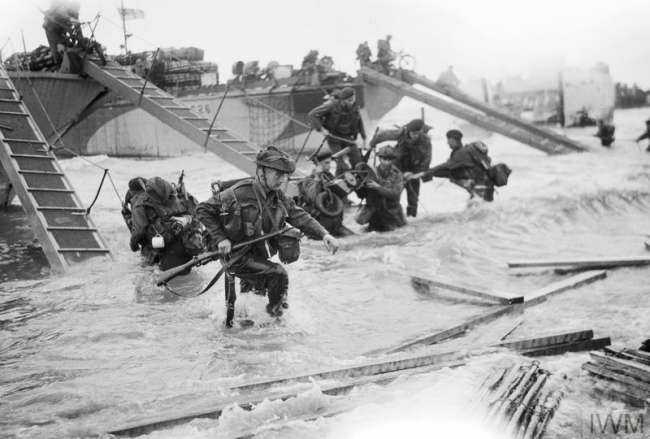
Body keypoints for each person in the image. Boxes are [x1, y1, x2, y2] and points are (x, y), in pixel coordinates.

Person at [197, 146, 339, 317]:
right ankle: (276, 319)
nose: (282, 179)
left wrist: (324, 234)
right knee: (278, 274)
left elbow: (298, 215)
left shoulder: (277, 196)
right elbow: (203, 209)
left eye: (285, 175)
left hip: (257, 255)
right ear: (261, 172)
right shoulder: (238, 193)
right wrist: (221, 239)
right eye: (277, 174)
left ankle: (250, 328)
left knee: (252, 300)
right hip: (236, 255)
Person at [129, 176, 204, 271]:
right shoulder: (182, 196)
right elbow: (199, 214)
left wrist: (133, 245)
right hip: (190, 246)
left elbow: (139, 231)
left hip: (164, 252)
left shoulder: (140, 205)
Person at [407, 130, 496, 201]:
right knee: (480, 212)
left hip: (481, 186)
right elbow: (448, 172)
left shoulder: (461, 154)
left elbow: (444, 167)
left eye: (449, 141)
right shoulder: (461, 152)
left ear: (454, 140)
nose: (447, 143)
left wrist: (423, 173)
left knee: (479, 211)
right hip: (482, 186)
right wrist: (427, 173)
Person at [369, 118, 432, 217]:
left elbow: (426, 160)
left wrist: (415, 174)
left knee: (413, 199)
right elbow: (383, 135)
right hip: (398, 168)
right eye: (412, 133)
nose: (414, 136)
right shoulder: (401, 133)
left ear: (420, 132)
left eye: (417, 133)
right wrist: (372, 143)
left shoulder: (426, 140)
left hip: (414, 170)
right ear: (408, 131)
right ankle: (391, 216)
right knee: (392, 195)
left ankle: (411, 218)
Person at [308, 86, 367, 176]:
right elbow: (312, 114)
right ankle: (339, 182)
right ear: (342, 100)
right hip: (334, 138)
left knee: (358, 162)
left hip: (348, 138)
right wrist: (322, 129)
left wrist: (364, 139)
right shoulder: (331, 105)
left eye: (353, 100)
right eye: (349, 100)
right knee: (341, 164)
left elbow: (360, 122)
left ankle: (360, 182)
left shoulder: (355, 108)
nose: (351, 102)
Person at [296, 149, 354, 238]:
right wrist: (317, 178)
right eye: (326, 163)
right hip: (319, 225)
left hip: (335, 224)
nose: (329, 166)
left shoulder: (330, 178)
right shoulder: (308, 181)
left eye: (329, 163)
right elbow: (312, 196)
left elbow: (342, 199)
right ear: (318, 164)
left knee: (353, 237)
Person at [355, 145, 406, 232]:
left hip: (391, 214)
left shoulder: (398, 174)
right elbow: (362, 195)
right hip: (375, 214)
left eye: (389, 160)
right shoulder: (371, 172)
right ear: (379, 159)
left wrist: (378, 187)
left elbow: (395, 194)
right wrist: (358, 185)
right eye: (384, 159)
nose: (386, 162)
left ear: (392, 160)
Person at [42, 0, 82, 65]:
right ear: (71, 6)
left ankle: (70, 62)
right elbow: (60, 14)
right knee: (56, 48)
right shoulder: (63, 7)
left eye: (78, 9)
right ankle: (58, 64)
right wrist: (69, 19)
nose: (76, 10)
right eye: (75, 8)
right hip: (51, 28)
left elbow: (78, 28)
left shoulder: (75, 13)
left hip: (61, 29)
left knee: (68, 45)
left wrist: (81, 41)